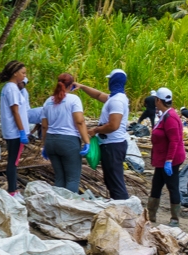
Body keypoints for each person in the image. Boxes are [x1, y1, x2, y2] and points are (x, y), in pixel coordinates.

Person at [79, 69, 130, 200]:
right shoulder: (115, 97)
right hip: (110, 144)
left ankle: (122, 210)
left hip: (113, 145)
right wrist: (82, 87)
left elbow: (113, 125)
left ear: (113, 81)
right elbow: (98, 95)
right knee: (111, 180)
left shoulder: (116, 101)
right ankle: (118, 206)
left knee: (115, 182)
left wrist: (96, 130)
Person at [40, 73, 91, 193]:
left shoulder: (48, 102)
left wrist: (45, 145)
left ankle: (58, 207)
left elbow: (44, 126)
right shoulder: (74, 99)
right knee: (72, 179)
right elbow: (79, 121)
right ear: (72, 85)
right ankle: (68, 208)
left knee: (59, 177)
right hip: (69, 142)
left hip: (51, 142)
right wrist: (87, 141)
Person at [146, 87, 186, 226]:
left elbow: (174, 141)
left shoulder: (170, 118)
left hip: (170, 159)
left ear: (158, 100)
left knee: (172, 186)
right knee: (156, 185)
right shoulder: (165, 115)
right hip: (162, 158)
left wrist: (169, 160)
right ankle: (151, 215)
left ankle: (175, 218)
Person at [0, 60, 29, 200]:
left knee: (13, 160)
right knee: (13, 161)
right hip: (15, 131)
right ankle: (13, 191)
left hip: (12, 130)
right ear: (15, 73)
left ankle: (13, 189)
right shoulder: (11, 88)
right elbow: (15, 111)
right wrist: (22, 131)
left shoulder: (10, 88)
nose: (24, 76)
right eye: (23, 73)